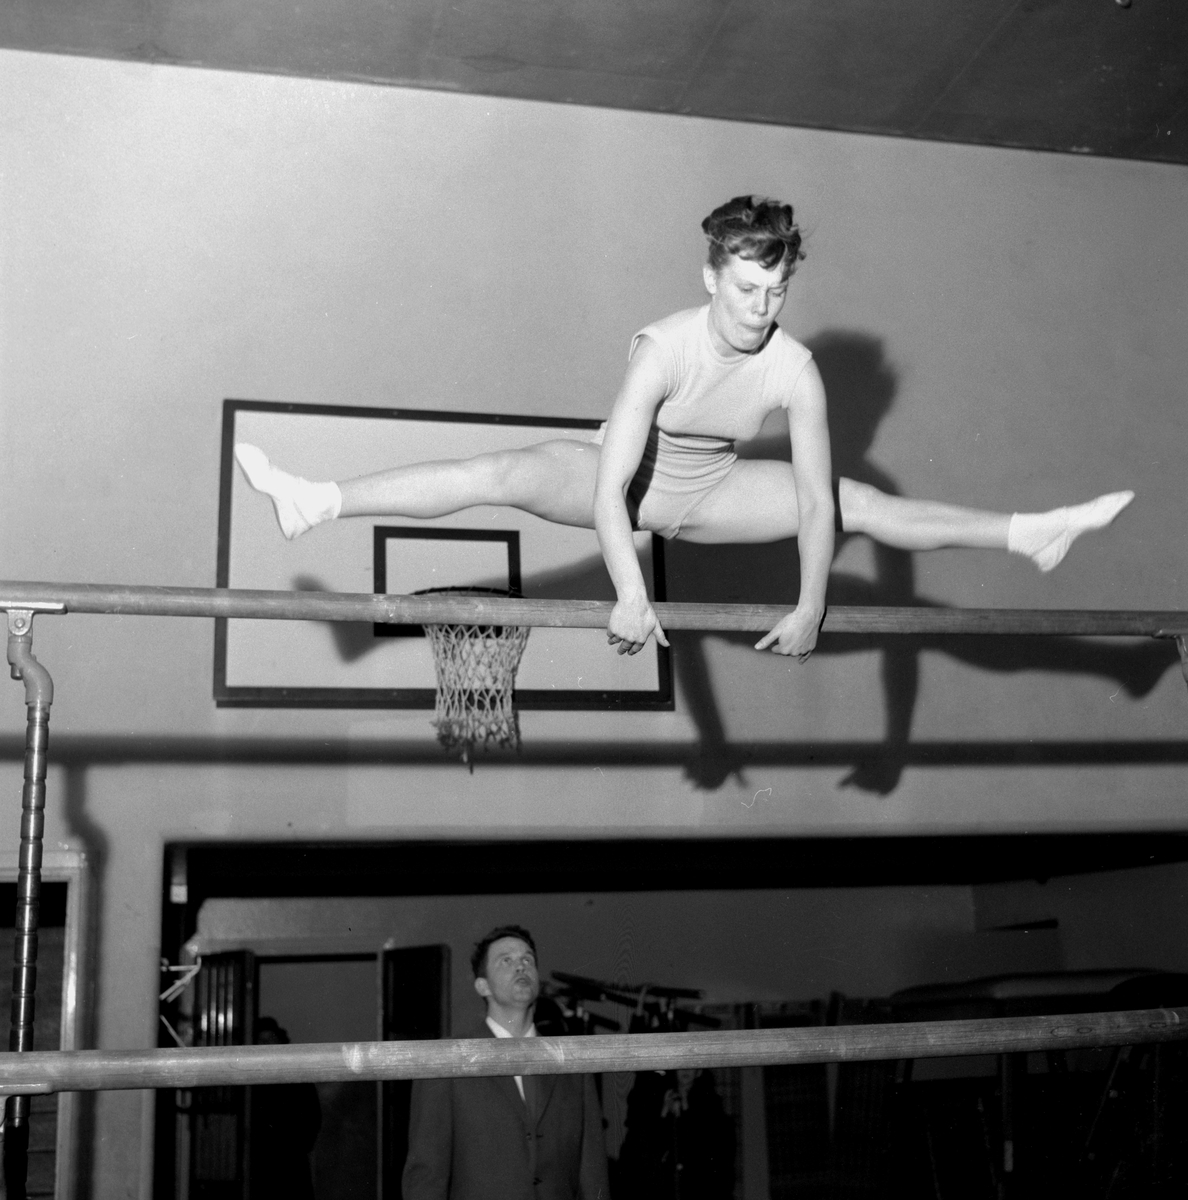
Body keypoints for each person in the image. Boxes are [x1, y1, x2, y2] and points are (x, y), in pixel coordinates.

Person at [235, 196, 1133, 662]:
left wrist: (811, 606)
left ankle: (1031, 533)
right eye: (746, 288)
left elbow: (814, 506)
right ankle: (316, 501)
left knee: (855, 497)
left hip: (712, 495)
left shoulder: (795, 369)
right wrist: (630, 592)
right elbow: (608, 491)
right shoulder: (663, 350)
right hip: (624, 483)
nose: (761, 308)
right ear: (711, 278)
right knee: (503, 472)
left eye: (777, 291)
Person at [401, 925, 611, 1200]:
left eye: (527, 960)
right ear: (483, 985)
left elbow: (593, 1175)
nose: (521, 966)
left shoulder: (572, 1064)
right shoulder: (446, 1061)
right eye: (506, 960)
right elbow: (426, 1179)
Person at [250, 1017, 322, 1200]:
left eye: (270, 1039)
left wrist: (298, 1145)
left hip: (291, 1160)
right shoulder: (249, 1076)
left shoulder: (296, 1073)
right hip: (261, 1162)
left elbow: (312, 1115)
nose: (266, 1045)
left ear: (280, 1040)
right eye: (261, 1040)